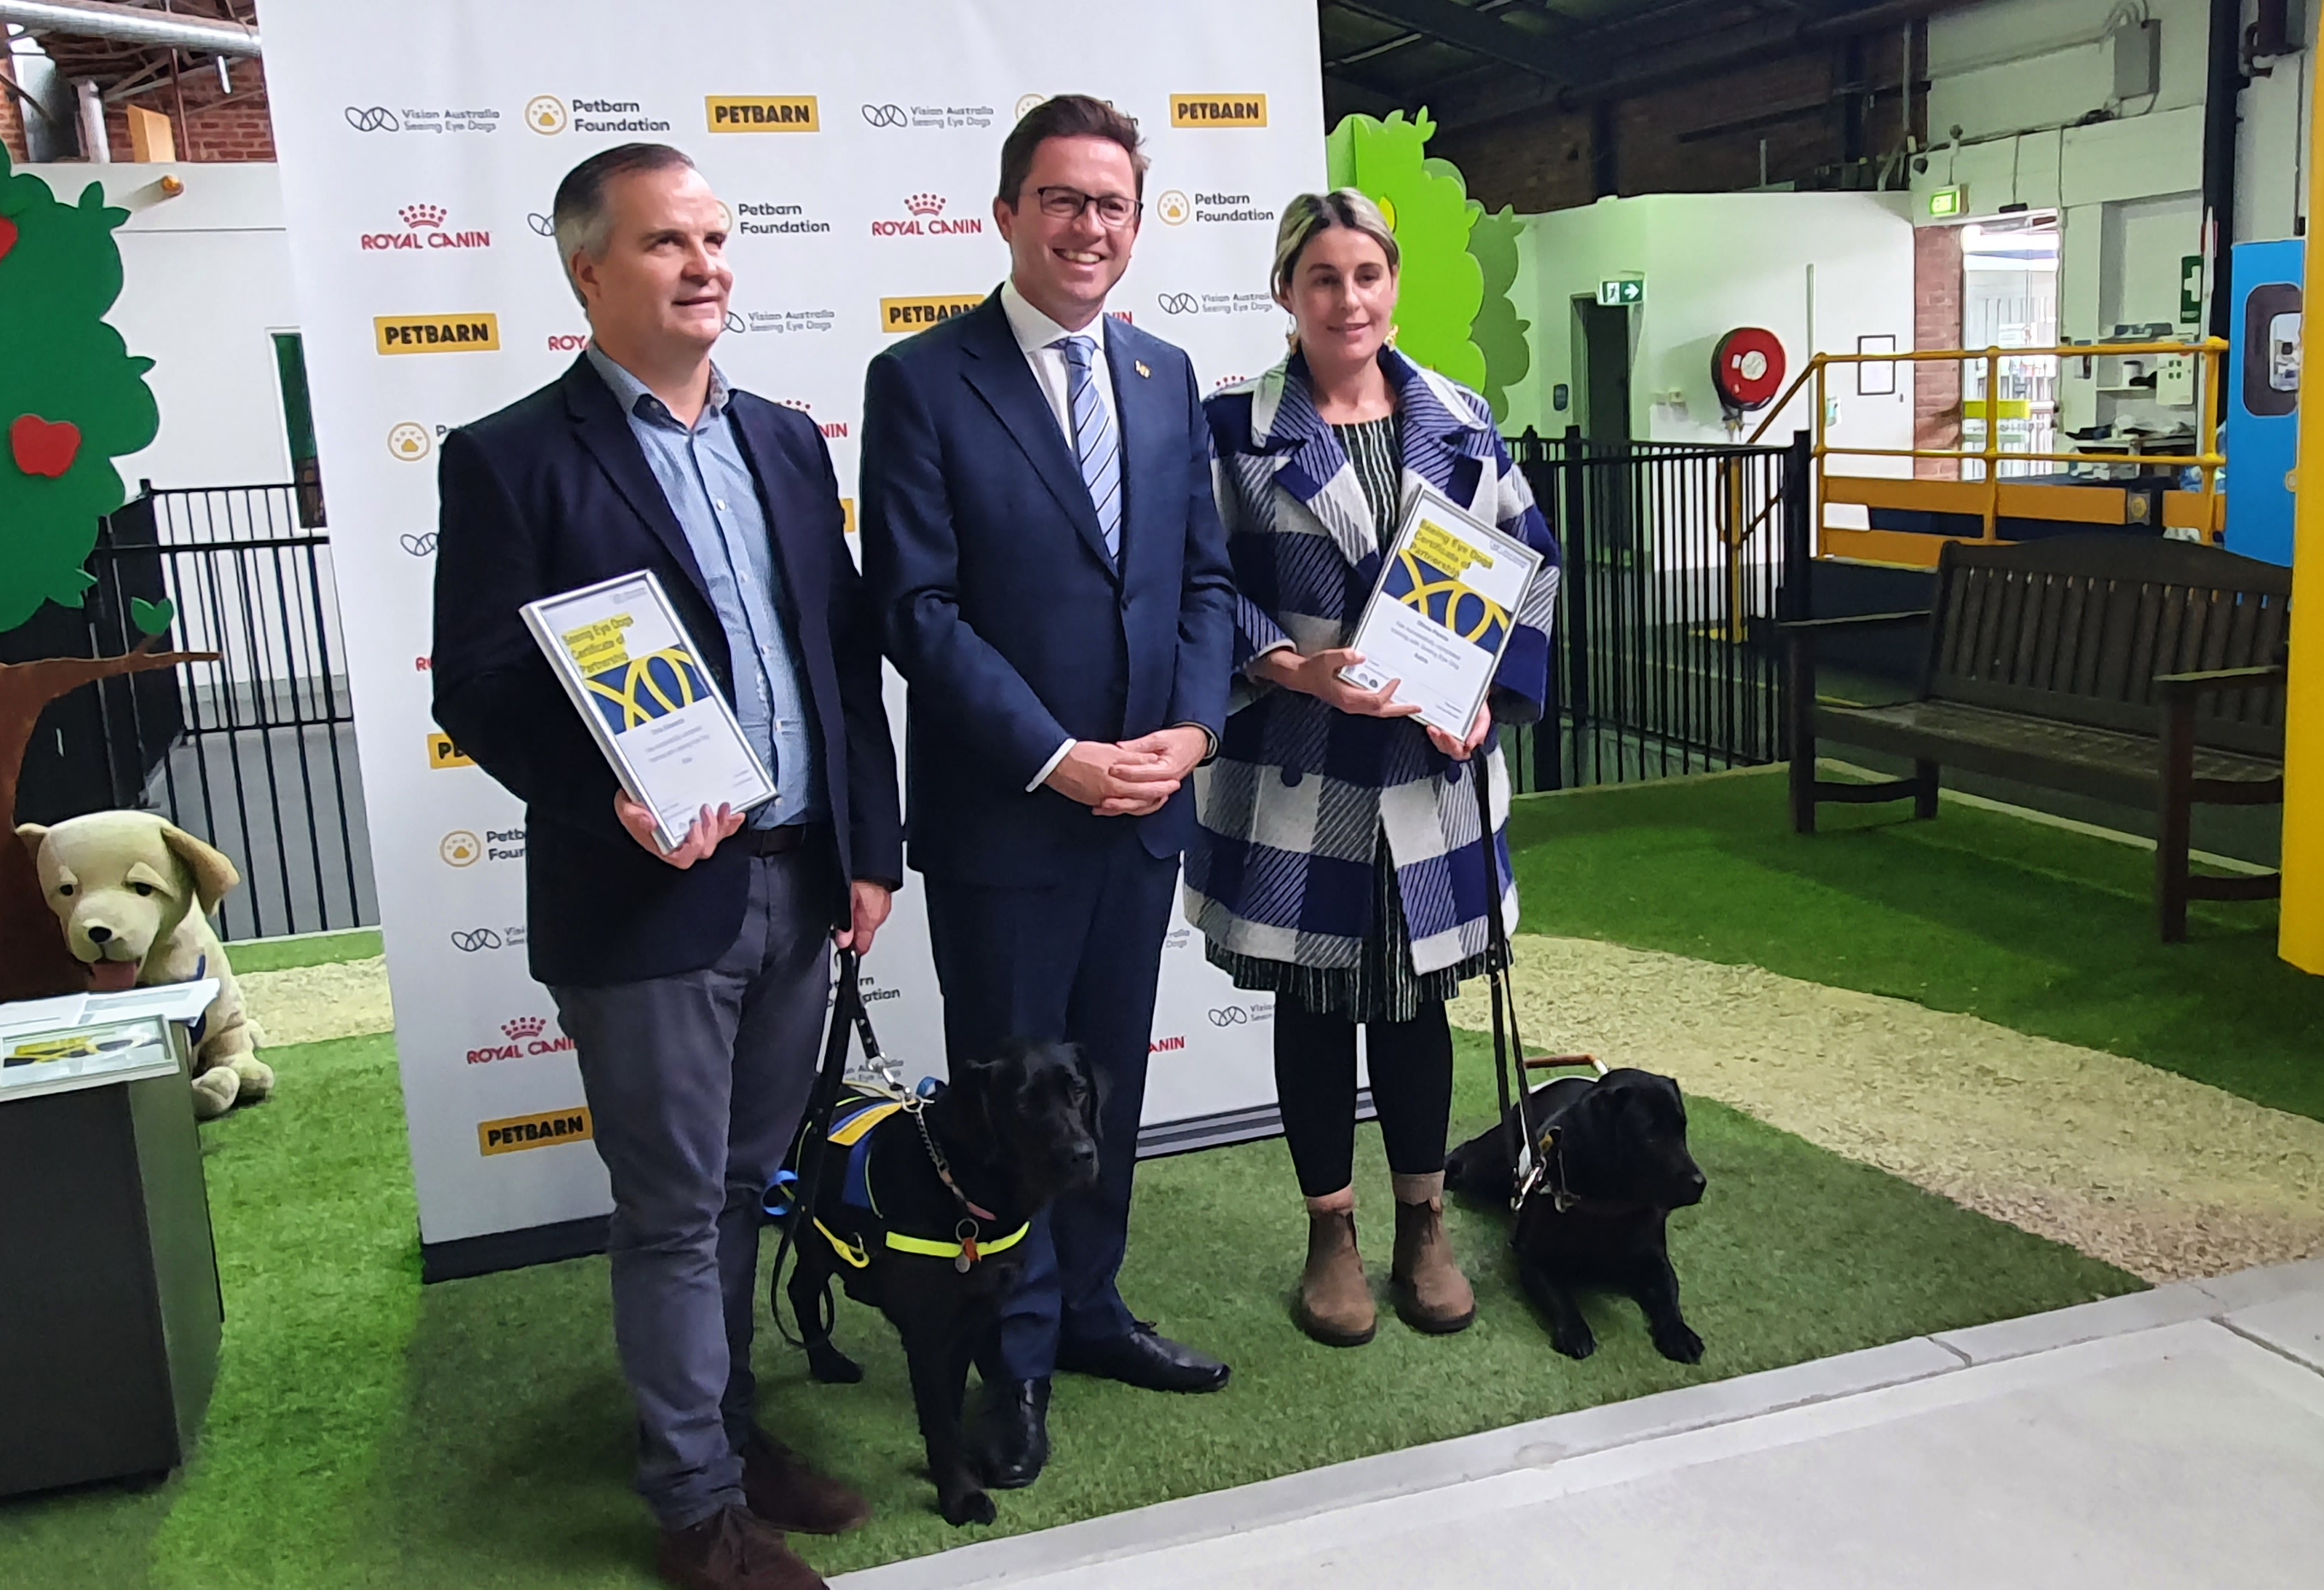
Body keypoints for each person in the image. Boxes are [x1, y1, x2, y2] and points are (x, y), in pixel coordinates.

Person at [432, 143, 900, 1590]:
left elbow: (839, 653)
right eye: (664, 243)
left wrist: (868, 849)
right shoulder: (510, 454)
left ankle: (733, 1439)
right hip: (643, 897)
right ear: (586, 271)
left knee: (745, 1187)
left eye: (715, 235)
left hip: (792, 877)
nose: (705, 263)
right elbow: (481, 685)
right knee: (672, 1210)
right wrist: (607, 798)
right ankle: (696, 1511)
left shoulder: (779, 437)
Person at [856, 94, 1238, 1492]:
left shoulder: (1162, 374)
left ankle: (1088, 1307)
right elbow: (918, 605)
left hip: (1142, 815)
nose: (1090, 227)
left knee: (1108, 1087)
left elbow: (1204, 579)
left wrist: (1189, 733)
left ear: (1137, 226)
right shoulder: (921, 379)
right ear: (1006, 210)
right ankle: (1010, 1359)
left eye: (1113, 206)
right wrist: (1056, 753)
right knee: (1007, 1105)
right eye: (1064, 200)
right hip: (1009, 821)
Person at [1185, 191, 1561, 1346]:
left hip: (1430, 772)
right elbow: (1198, 591)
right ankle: (1330, 1234)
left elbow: (1530, 566)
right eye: (1322, 278)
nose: (1348, 300)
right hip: (1302, 768)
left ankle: (1425, 1225)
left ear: (1393, 284)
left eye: (1367, 276)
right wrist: (1289, 666)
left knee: (1412, 1007)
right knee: (1313, 1010)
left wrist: (1488, 701)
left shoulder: (1462, 416)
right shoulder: (1231, 430)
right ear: (1285, 292)